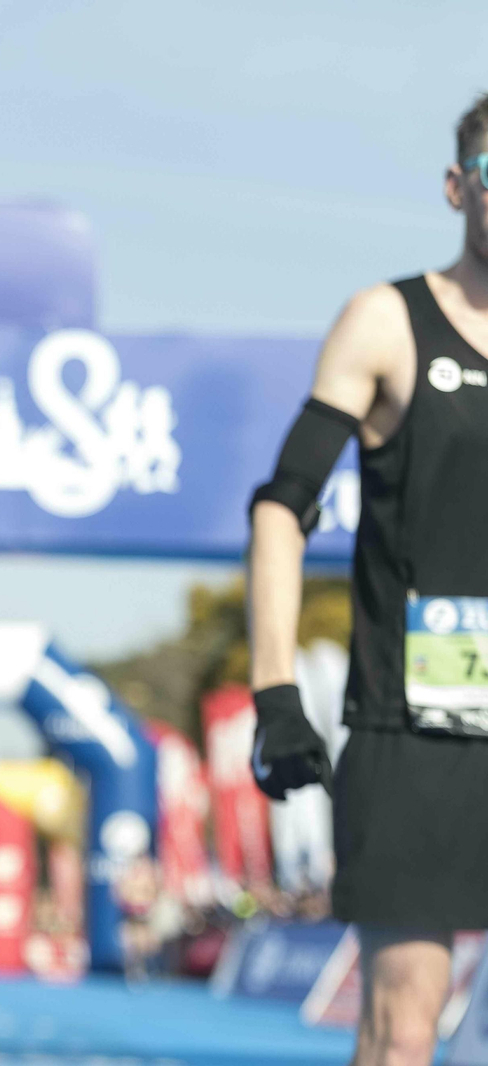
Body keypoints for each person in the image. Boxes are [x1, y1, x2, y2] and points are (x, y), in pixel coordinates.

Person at [247, 93, 488, 1066]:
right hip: (412, 728)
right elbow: (281, 506)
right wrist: (275, 694)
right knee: (401, 1029)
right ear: (457, 187)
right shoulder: (387, 322)